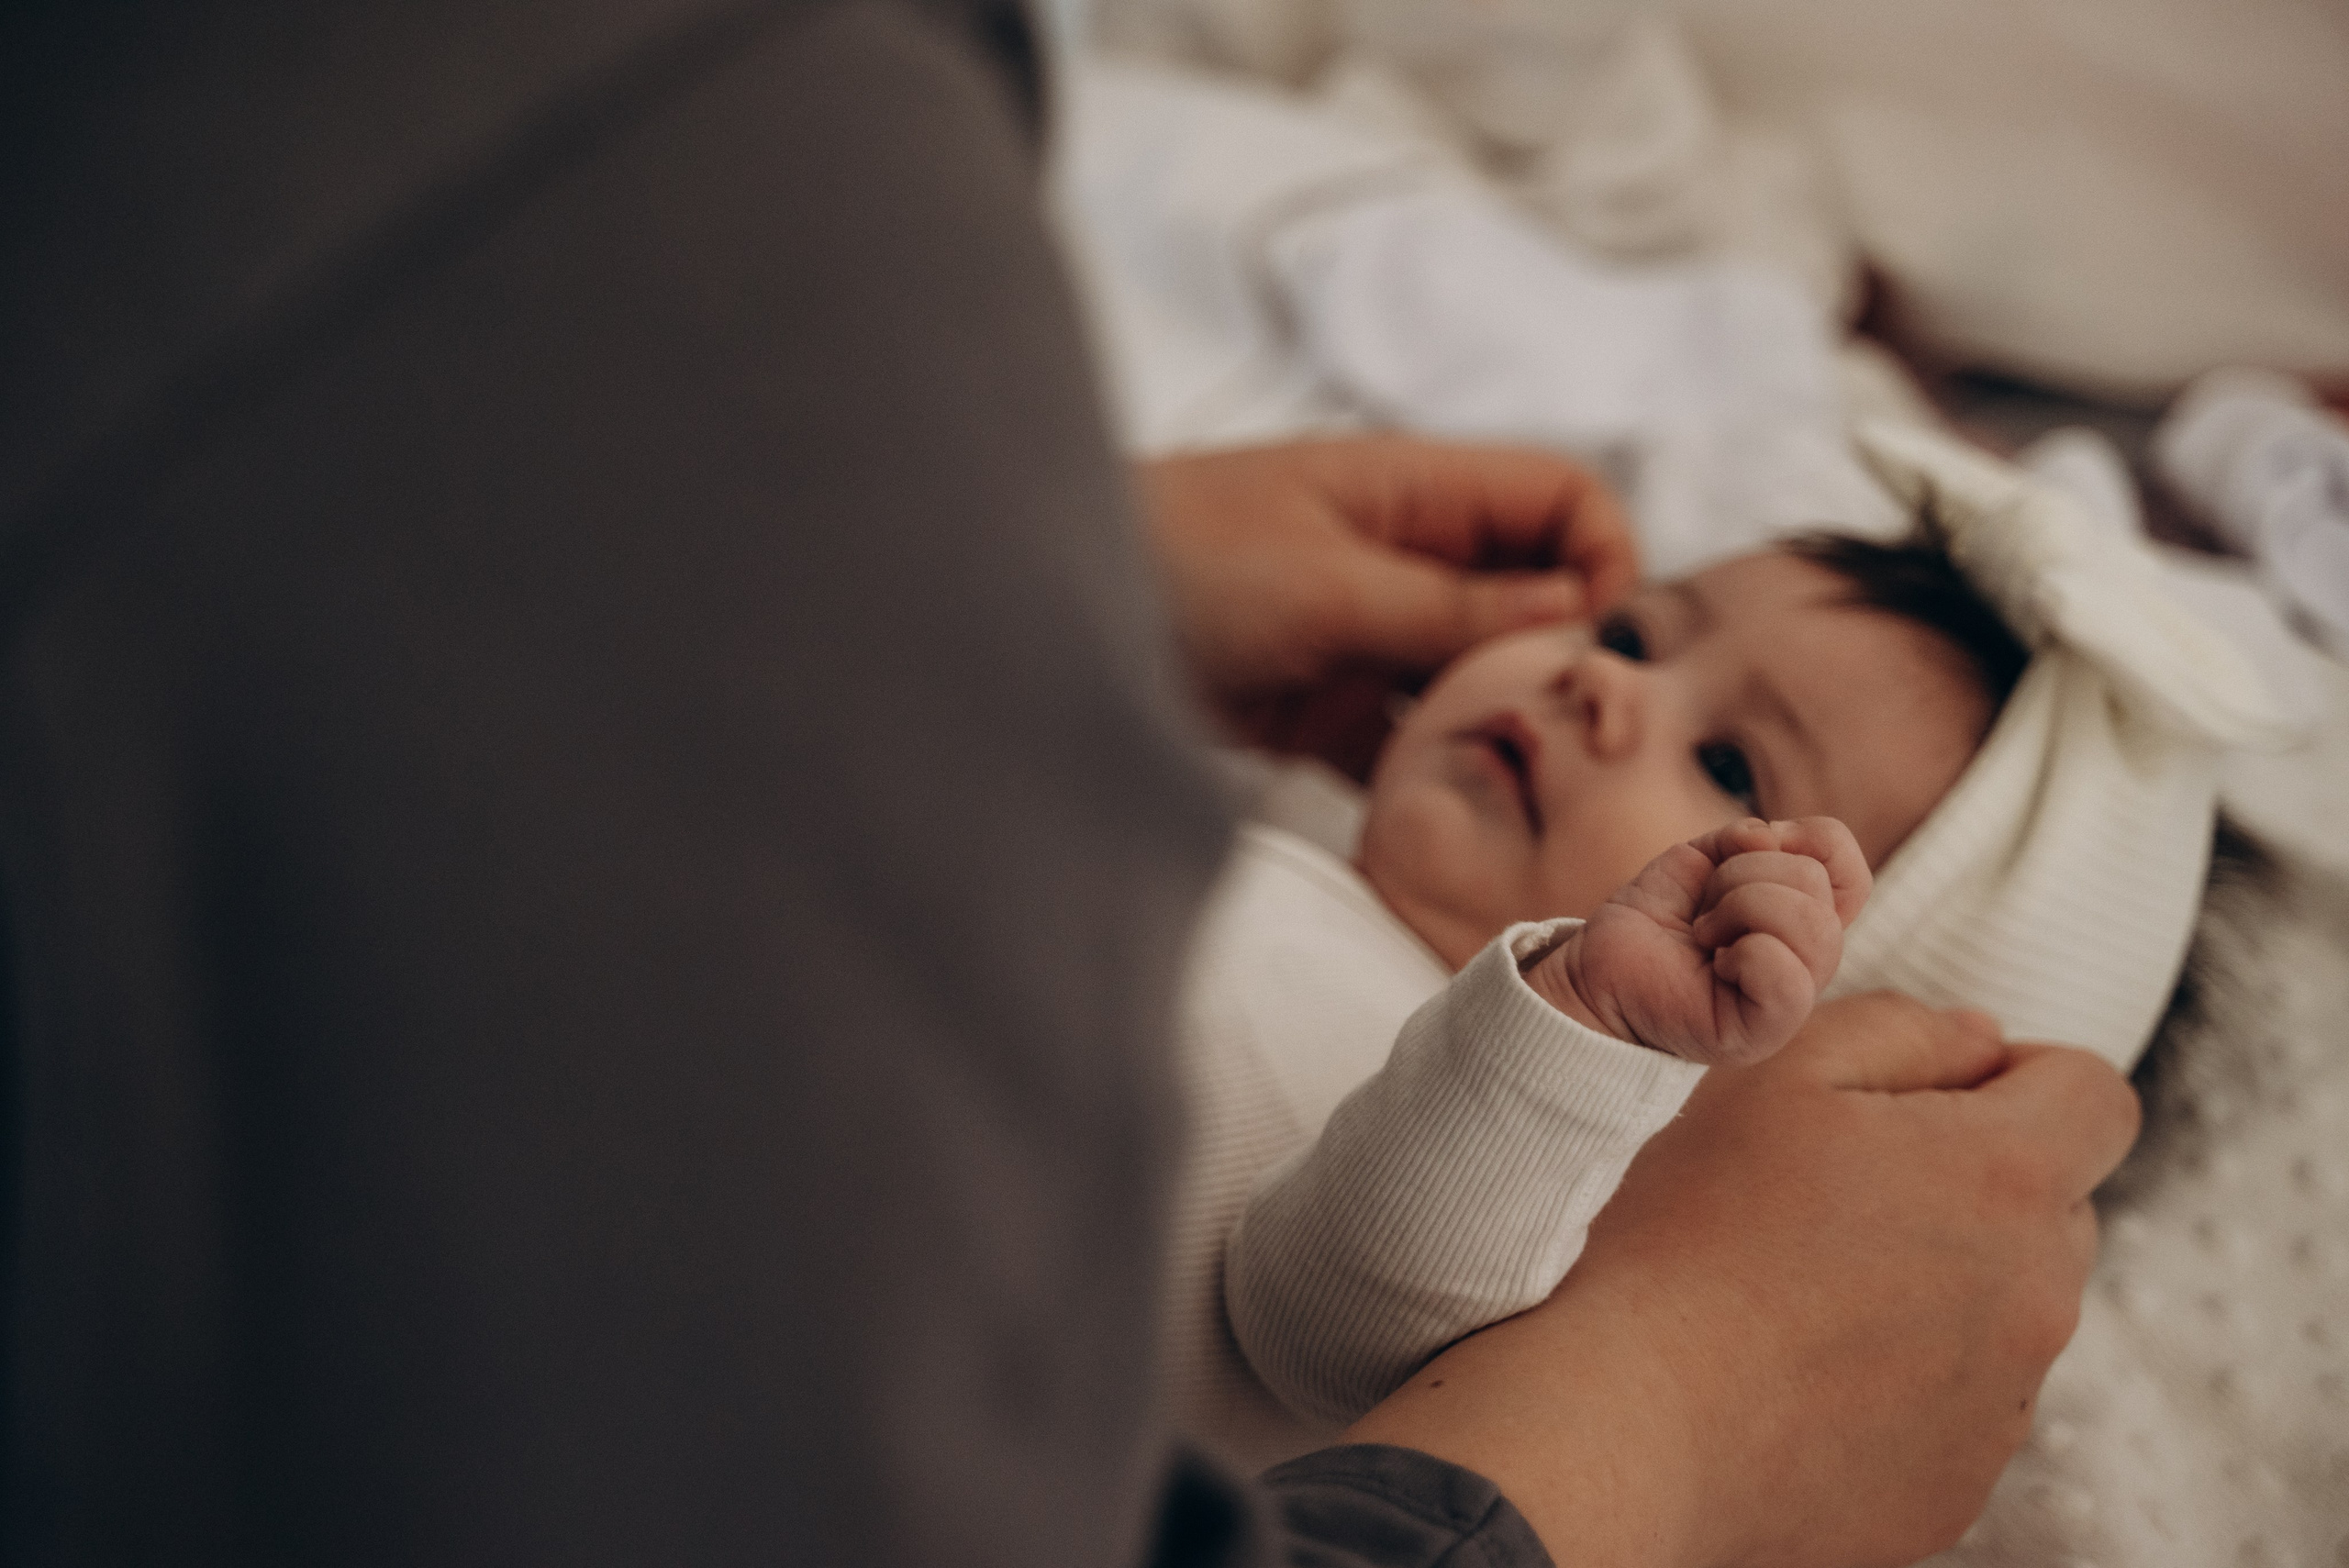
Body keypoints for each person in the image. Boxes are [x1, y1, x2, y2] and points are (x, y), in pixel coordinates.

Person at [0, 4, 2139, 1567]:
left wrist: (1578, 1027)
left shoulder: (1520, 1153)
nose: (1598, 694)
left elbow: (1328, 1302)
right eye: (1642, 630)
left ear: (1771, 1065)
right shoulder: (1290, 854)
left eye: (1727, 765)